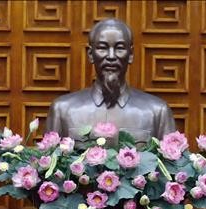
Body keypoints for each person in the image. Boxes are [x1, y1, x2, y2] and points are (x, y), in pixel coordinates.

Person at [46, 18, 176, 140]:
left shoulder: (157, 112)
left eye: (119, 48)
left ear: (130, 55)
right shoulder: (62, 110)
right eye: (103, 48)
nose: (111, 56)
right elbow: (49, 161)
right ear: (91, 55)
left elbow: (172, 163)